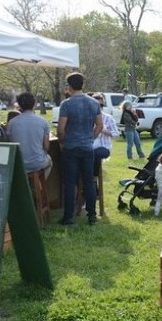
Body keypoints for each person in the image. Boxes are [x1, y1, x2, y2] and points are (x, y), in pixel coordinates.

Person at [57, 72, 103, 225]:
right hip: (87, 147)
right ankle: (92, 216)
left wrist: (62, 142)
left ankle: (68, 217)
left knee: (70, 183)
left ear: (69, 86)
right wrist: (91, 138)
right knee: (89, 182)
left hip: (71, 147)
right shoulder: (93, 103)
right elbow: (99, 125)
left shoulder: (67, 104)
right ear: (82, 84)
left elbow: (61, 128)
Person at [5, 91, 52, 178]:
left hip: (19, 163)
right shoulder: (43, 122)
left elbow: (11, 144)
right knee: (49, 161)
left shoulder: (11, 123)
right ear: (34, 104)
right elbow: (46, 147)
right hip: (38, 163)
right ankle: (39, 186)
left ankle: (31, 185)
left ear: (19, 105)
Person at [91, 93, 120, 175]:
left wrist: (102, 129)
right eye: (95, 105)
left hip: (103, 147)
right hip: (89, 146)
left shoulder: (108, 118)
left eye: (101, 105)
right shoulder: (86, 117)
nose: (98, 107)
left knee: (95, 154)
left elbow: (116, 134)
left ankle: (94, 177)